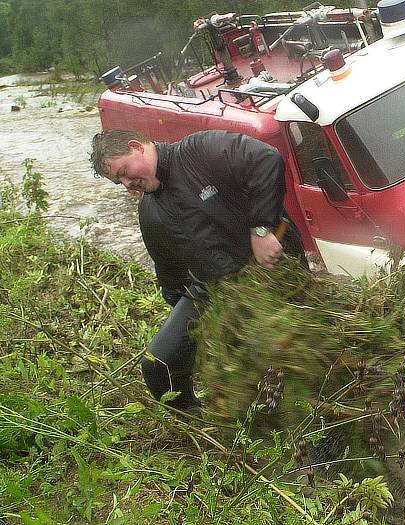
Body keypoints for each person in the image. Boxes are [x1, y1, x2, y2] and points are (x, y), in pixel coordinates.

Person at [90, 128, 301, 414]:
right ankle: (197, 420)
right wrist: (206, 328)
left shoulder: (199, 150)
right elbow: (170, 272)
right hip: (213, 289)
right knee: (158, 364)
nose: (129, 184)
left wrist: (261, 229)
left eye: (125, 171)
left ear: (136, 146)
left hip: (271, 267)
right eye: (120, 181)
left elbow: (267, 159)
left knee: (278, 352)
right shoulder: (149, 212)